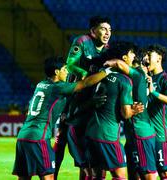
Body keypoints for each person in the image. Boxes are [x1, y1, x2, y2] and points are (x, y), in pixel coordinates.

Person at [12, 57, 112, 180]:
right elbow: (86, 83)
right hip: (38, 137)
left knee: (24, 177)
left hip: (22, 137)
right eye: (64, 69)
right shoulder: (58, 87)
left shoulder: (41, 84)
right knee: (48, 177)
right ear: (56, 72)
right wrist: (106, 72)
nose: (67, 72)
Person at [54, 15, 112, 180]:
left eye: (109, 30)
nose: (107, 33)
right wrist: (87, 75)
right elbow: (70, 64)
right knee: (61, 139)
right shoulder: (82, 42)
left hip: (91, 101)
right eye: (103, 29)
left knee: (88, 147)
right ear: (93, 31)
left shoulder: (108, 50)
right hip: (72, 96)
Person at [85, 42, 144, 180]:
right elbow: (125, 113)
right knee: (120, 176)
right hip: (108, 135)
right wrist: (134, 110)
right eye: (131, 53)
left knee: (96, 175)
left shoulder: (101, 74)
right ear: (124, 58)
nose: (134, 56)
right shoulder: (124, 81)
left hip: (91, 131)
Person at [104, 42, 158, 180]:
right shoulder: (132, 78)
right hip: (135, 133)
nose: (132, 54)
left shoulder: (138, 74)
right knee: (135, 174)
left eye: (132, 53)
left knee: (148, 174)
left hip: (139, 132)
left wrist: (109, 62)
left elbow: (119, 64)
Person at [146, 44, 167, 180]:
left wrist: (154, 93)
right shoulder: (145, 77)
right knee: (146, 173)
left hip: (160, 134)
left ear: (159, 58)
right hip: (145, 134)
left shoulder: (166, 80)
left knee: (164, 172)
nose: (146, 59)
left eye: (149, 55)